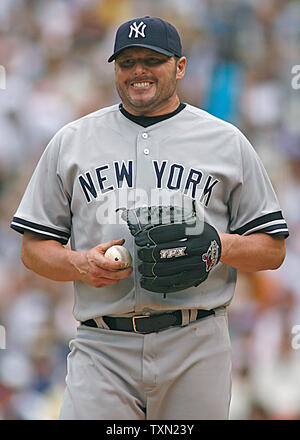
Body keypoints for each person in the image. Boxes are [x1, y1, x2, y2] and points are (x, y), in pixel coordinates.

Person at [10, 16, 289, 420]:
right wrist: (78, 263)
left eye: (152, 60)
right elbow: (33, 247)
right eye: (127, 62)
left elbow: (273, 248)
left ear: (180, 66)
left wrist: (217, 244)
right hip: (102, 345)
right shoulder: (72, 141)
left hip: (196, 341)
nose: (138, 71)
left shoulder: (225, 141)